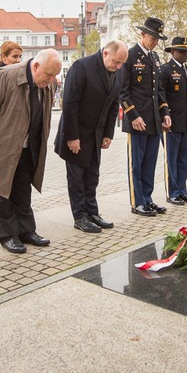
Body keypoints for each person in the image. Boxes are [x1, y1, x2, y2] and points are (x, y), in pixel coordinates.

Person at [0, 49, 62, 253]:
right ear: (36, 66)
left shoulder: (49, 83)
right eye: (48, 75)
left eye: (54, 76)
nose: (51, 80)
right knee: (0, 191)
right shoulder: (4, 76)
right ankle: (8, 235)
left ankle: (27, 231)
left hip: (27, 148)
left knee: (23, 191)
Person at [54, 40, 128, 233]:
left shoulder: (117, 72)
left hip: (96, 135)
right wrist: (72, 136)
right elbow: (70, 103)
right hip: (77, 134)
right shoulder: (82, 67)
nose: (119, 67)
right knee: (77, 178)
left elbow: (113, 105)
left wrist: (108, 134)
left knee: (92, 176)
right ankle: (80, 216)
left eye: (122, 64)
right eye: (116, 62)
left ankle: (92, 212)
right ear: (105, 53)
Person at [120, 17, 171, 217]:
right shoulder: (130, 56)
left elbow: (158, 90)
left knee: (150, 163)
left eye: (158, 38)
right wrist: (133, 115)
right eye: (153, 37)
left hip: (154, 121)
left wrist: (165, 113)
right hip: (137, 121)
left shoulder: (155, 58)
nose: (155, 42)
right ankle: (137, 201)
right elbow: (122, 92)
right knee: (137, 164)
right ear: (142, 35)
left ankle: (148, 199)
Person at [158, 37, 187, 205]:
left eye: (186, 51)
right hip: (171, 122)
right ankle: (173, 192)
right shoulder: (165, 70)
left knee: (184, 159)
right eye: (181, 51)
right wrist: (164, 115)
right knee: (172, 158)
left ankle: (182, 190)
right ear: (172, 52)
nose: (184, 54)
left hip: (186, 122)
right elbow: (160, 94)